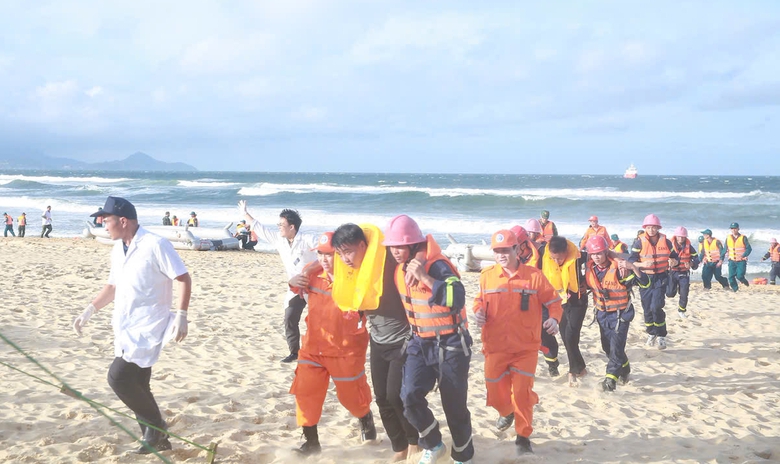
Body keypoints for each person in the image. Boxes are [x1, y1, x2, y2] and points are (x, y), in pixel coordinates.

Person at [72, 196, 191, 454]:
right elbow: (113, 286)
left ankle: (157, 427)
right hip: (124, 324)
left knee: (118, 378)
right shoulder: (118, 248)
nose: (103, 225)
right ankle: (158, 441)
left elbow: (183, 278)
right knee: (138, 382)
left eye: (106, 220)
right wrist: (90, 309)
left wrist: (181, 314)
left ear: (122, 221)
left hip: (148, 325)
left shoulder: (155, 244)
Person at [384, 215, 474, 464]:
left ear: (414, 246)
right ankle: (434, 444)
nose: (395, 252)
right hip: (419, 342)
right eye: (392, 247)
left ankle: (463, 457)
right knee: (409, 396)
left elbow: (457, 297)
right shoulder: (399, 270)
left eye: (400, 246)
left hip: (452, 344)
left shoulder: (438, 266)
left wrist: (424, 276)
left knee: (454, 406)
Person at [330, 223, 420, 462]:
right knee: (381, 397)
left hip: (402, 339)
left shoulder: (387, 262)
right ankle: (399, 446)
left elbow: (422, 244)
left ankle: (414, 442)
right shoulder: (355, 273)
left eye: (348, 251)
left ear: (363, 245)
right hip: (378, 340)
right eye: (340, 254)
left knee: (395, 395)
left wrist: (419, 259)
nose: (345, 259)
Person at [473, 229, 562, 456]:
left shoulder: (533, 276)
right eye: (497, 251)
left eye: (506, 250)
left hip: (525, 348)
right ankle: (507, 411)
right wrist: (478, 312)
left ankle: (523, 437)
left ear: (516, 250)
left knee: (522, 392)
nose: (502, 255)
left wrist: (554, 319)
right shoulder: (486, 275)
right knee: (494, 390)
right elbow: (479, 301)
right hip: (495, 347)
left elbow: (553, 301)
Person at [287, 232, 375, 455]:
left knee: (352, 399)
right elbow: (295, 286)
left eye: (330, 254)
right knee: (305, 394)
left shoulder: (358, 277)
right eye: (320, 254)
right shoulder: (312, 275)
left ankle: (365, 417)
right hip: (312, 348)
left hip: (347, 351)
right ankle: (311, 441)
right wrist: (293, 280)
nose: (325, 259)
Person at [239, 200, 318, 363]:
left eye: (281, 224)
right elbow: (259, 228)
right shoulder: (279, 240)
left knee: (319, 321)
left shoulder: (308, 239)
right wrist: (244, 213)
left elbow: (327, 252)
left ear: (292, 227)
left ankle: (319, 351)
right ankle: (294, 352)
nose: (278, 227)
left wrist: (309, 271)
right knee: (289, 317)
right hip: (295, 288)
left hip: (314, 287)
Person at [583, 235, 648, 392]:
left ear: (606, 252)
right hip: (602, 314)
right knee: (607, 347)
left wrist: (633, 267)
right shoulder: (590, 268)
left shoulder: (621, 269)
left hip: (620, 314)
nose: (596, 257)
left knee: (616, 347)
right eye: (593, 254)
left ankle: (610, 380)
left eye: (599, 253)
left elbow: (646, 283)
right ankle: (624, 369)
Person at [511, 225, 558, 376]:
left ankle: (552, 364)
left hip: (542, 301)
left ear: (524, 243)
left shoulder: (543, 253)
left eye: (516, 246)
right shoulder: (512, 258)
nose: (513, 250)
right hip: (522, 300)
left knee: (545, 336)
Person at [542, 235, 589, 386]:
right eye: (553, 258)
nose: (556, 262)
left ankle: (572, 371)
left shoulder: (579, 256)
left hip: (578, 301)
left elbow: (602, 256)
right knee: (566, 337)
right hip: (559, 303)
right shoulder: (544, 252)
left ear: (566, 253)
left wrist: (587, 283)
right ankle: (579, 369)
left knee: (570, 336)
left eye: (560, 259)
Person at [628, 214, 678, 350]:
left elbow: (675, 257)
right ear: (645, 228)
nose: (651, 230)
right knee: (647, 308)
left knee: (656, 306)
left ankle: (661, 335)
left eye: (654, 227)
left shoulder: (666, 242)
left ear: (658, 228)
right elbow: (631, 261)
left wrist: (674, 261)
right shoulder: (639, 242)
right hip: (645, 278)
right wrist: (642, 263)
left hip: (661, 277)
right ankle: (651, 333)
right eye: (649, 227)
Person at [666, 227, 700, 319]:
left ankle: (681, 310)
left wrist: (691, 263)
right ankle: (675, 288)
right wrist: (668, 261)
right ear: (676, 236)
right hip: (672, 272)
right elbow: (663, 256)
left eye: (683, 237)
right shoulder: (669, 245)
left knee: (684, 292)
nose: (681, 239)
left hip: (684, 272)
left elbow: (697, 258)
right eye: (679, 237)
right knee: (669, 294)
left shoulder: (690, 247)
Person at [723, 222, 752, 292]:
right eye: (732, 228)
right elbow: (725, 249)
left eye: (735, 228)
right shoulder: (728, 238)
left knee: (739, 276)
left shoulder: (743, 237)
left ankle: (744, 281)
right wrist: (722, 257)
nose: (733, 230)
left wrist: (744, 255)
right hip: (732, 260)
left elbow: (749, 248)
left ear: (738, 229)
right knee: (731, 277)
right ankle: (735, 289)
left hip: (741, 260)